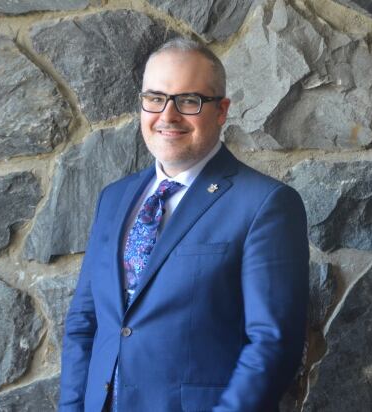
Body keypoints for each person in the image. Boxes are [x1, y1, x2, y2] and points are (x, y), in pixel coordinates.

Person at [58, 37, 310, 411]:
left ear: (222, 110)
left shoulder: (265, 204)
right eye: (155, 98)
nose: (167, 115)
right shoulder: (114, 198)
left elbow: (273, 344)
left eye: (189, 101)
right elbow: (85, 321)